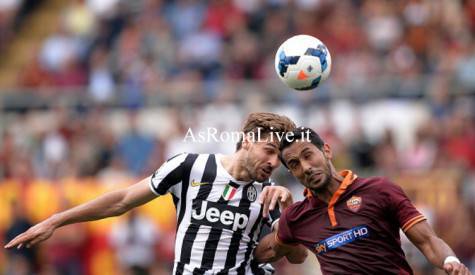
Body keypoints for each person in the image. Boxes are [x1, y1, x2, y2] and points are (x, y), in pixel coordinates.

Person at [5, 112, 307, 274]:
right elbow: (121, 200)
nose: (272, 162)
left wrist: (290, 218)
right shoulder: (190, 166)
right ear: (246, 141)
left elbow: (297, 257)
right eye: (269, 151)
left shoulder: (271, 194)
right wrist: (55, 220)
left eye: (278, 157)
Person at [255, 127, 471, 275]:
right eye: (294, 164)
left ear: (326, 151)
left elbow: (428, 241)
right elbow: (266, 251)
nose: (305, 167)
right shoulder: (297, 216)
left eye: (308, 155)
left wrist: (450, 262)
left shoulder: (380, 190)